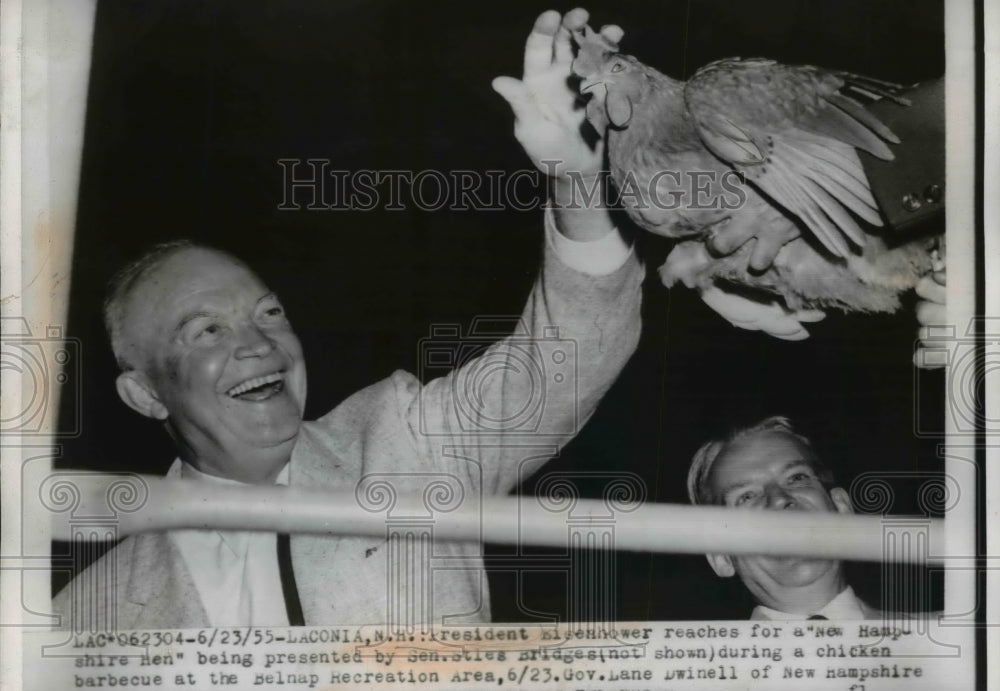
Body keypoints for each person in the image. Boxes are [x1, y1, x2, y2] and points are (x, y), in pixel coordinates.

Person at [54, 8, 645, 630]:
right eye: (207, 330)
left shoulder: (407, 441)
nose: (260, 344)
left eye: (270, 312)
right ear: (145, 393)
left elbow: (570, 356)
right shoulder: (85, 618)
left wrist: (578, 182)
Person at [687, 416, 884, 620]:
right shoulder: (676, 649)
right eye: (746, 497)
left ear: (843, 509)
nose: (778, 500)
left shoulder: (919, 641)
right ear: (721, 556)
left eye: (797, 478)